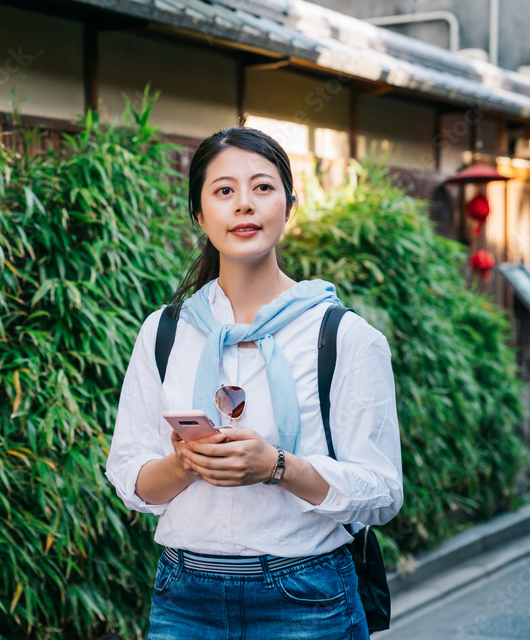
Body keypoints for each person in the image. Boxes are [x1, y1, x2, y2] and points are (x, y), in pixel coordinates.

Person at [105, 126, 403, 639]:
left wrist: (278, 467)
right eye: (224, 191)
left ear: (289, 205)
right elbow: (129, 476)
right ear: (199, 214)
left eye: (262, 188)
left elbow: (382, 493)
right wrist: (183, 463)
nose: (244, 204)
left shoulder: (343, 336)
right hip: (184, 598)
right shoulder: (165, 331)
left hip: (307, 599)